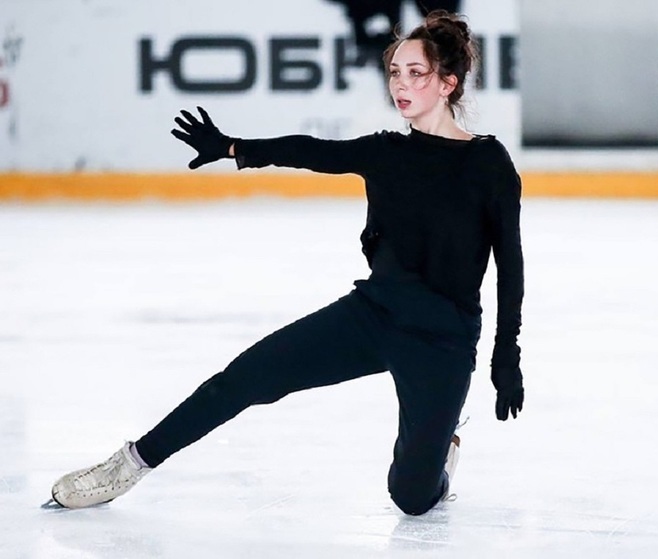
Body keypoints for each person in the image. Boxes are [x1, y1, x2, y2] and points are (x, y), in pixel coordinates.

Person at [49, 10, 524, 516]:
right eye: (394, 72)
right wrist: (232, 147)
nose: (400, 85)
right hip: (374, 315)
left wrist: (506, 354)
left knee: (411, 497)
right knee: (243, 378)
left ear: (448, 83)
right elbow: (310, 151)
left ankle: (439, 457)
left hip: (441, 340)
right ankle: (128, 464)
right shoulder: (386, 152)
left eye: (416, 73)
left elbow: (510, 267)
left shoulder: (489, 164)